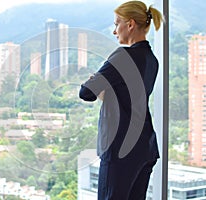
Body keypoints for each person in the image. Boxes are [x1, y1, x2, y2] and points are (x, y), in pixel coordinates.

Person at [79, 1, 164, 199]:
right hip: (146, 147)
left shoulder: (123, 56)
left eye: (117, 24)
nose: (114, 31)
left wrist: (101, 89)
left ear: (130, 24)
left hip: (120, 148)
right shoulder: (152, 60)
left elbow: (86, 93)